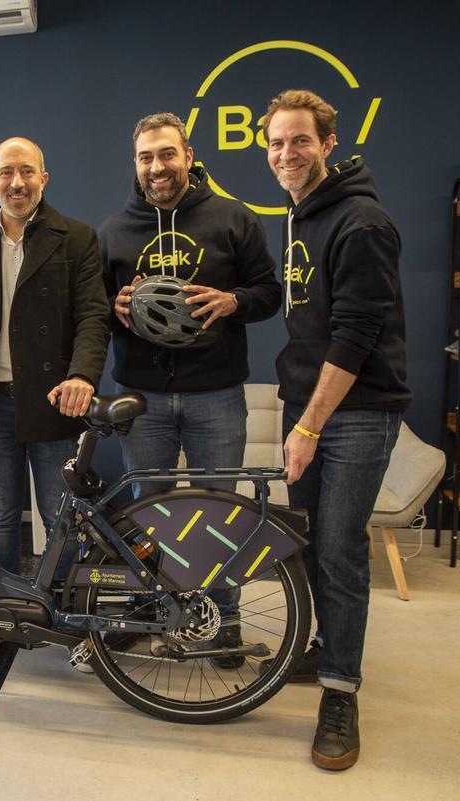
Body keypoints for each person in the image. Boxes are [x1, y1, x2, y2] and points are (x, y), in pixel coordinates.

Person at [99, 112, 281, 666]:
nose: (157, 167)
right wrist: (114, 308)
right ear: (135, 163)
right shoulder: (112, 231)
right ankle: (143, 610)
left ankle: (223, 623)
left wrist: (233, 302)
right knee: (145, 512)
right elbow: (94, 311)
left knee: (221, 514)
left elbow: (270, 293)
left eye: (167, 154)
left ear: (188, 154)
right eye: (146, 157)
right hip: (143, 398)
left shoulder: (233, 219)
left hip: (217, 395)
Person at [262, 88, 409, 770]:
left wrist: (310, 426)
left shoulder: (362, 223)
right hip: (309, 409)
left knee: (341, 550)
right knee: (314, 541)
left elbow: (354, 338)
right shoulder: (298, 217)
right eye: (276, 142)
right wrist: (300, 416)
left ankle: (341, 692)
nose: (286, 152)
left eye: (299, 140)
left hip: (355, 414)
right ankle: (329, 648)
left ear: (327, 142)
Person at [0, 137, 110, 661]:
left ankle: (56, 613)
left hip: (54, 399)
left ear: (44, 178)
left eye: (27, 172)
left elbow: (94, 317)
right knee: (4, 513)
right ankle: (1, 613)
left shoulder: (75, 237)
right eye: (6, 173)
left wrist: (83, 375)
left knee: (61, 516)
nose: (17, 182)